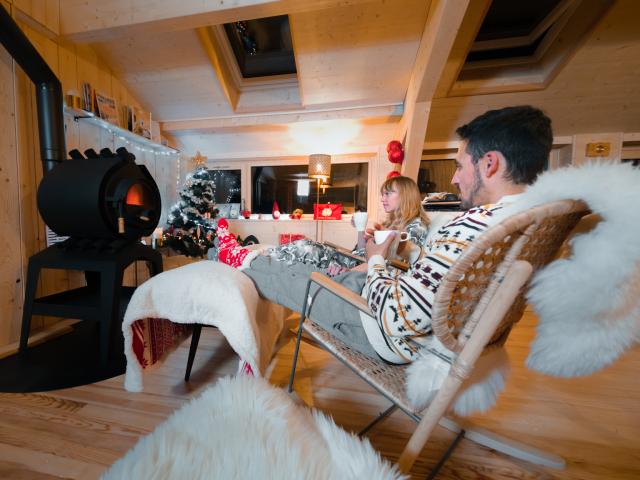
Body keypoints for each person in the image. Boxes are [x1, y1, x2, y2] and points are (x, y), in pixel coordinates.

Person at [361, 105, 552, 363]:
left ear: (490, 164)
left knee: (293, 274)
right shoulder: (530, 221)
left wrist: (374, 259)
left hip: (393, 339)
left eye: (460, 167)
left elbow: (398, 316)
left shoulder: (477, 226)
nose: (454, 179)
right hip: (440, 337)